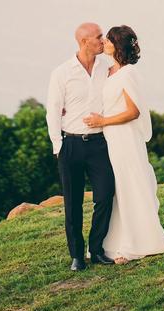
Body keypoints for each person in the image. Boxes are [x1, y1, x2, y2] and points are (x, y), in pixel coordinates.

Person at [84, 25, 164, 264]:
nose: (104, 42)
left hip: (125, 138)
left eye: (109, 39)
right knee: (116, 191)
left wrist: (103, 121)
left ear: (117, 45)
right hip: (110, 139)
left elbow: (133, 112)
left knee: (129, 186)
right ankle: (114, 242)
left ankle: (137, 243)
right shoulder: (108, 70)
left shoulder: (128, 74)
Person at [46, 22, 116, 271]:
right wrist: (59, 147)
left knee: (106, 195)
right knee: (73, 204)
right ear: (85, 41)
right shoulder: (62, 73)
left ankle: (96, 250)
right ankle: (77, 255)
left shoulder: (107, 69)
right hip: (71, 145)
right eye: (99, 37)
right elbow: (53, 110)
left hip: (99, 143)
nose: (103, 39)